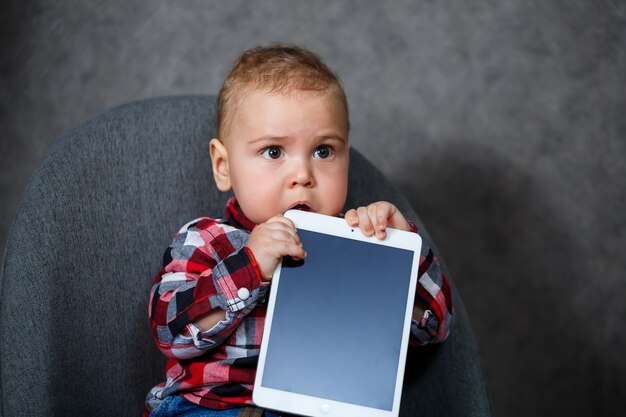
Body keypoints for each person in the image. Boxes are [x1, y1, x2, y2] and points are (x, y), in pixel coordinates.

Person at [144, 44, 453, 417]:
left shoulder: (357, 250)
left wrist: (402, 251)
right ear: (224, 166)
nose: (303, 175)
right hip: (214, 408)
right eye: (273, 152)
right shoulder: (208, 240)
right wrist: (251, 265)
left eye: (323, 151)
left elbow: (432, 329)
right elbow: (168, 330)